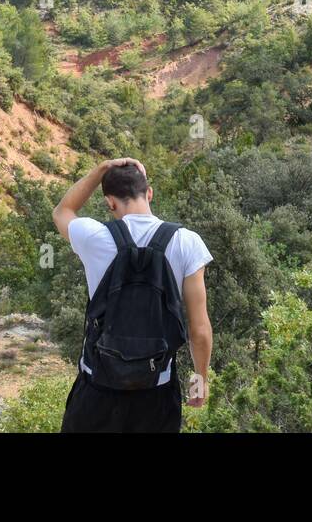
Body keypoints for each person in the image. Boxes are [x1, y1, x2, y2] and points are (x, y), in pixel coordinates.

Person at [52, 157, 212, 432]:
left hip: (97, 390)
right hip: (156, 395)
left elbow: (62, 211)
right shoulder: (187, 242)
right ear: (149, 193)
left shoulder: (94, 237)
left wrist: (102, 169)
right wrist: (201, 377)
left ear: (110, 202)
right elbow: (199, 329)